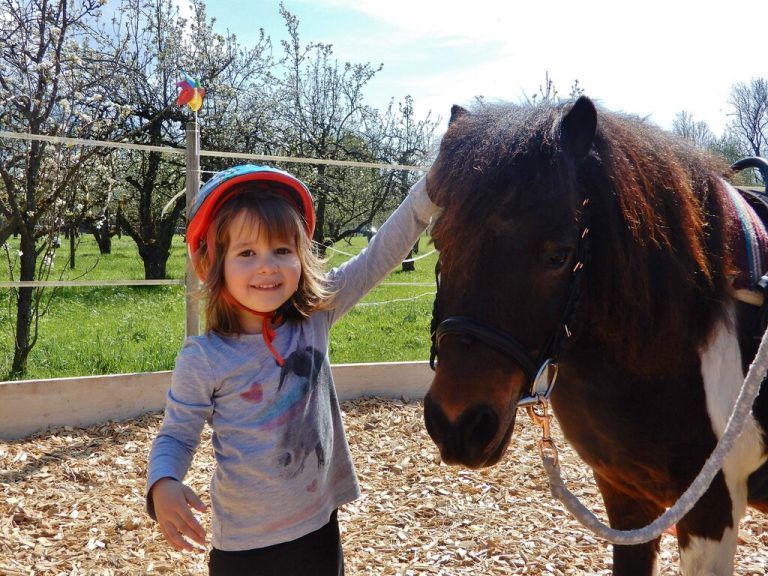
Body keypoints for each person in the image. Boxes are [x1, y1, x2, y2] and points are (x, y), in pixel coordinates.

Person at [146, 164, 438, 575]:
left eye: (282, 250)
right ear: (212, 263)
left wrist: (427, 192)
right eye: (246, 253)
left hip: (319, 526)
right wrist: (163, 484)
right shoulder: (205, 357)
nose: (267, 266)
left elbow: (376, 257)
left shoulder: (313, 317)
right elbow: (177, 434)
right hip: (245, 549)